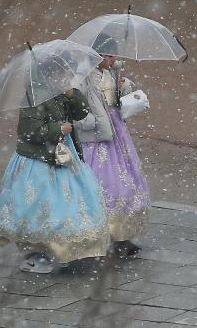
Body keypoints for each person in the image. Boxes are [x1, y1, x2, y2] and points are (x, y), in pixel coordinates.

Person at [0, 81, 111, 274]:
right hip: (39, 159)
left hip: (64, 154)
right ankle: (40, 253)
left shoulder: (62, 91)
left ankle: (64, 249)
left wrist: (73, 95)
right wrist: (58, 129)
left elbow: (81, 113)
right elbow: (27, 131)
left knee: (69, 203)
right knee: (43, 206)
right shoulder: (34, 96)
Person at [73, 35, 150, 257]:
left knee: (125, 182)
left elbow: (117, 100)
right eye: (107, 55)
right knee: (102, 183)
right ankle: (92, 235)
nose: (112, 59)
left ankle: (121, 236)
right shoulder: (83, 77)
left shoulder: (113, 72)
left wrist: (124, 87)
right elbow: (78, 108)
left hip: (117, 132)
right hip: (96, 137)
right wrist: (93, 119)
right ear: (95, 56)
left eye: (113, 55)